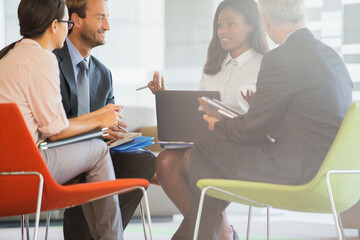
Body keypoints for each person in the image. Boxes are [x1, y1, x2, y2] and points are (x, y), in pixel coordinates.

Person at [170, 0, 353, 239]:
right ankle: (214, 234)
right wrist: (259, 107)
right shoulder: (333, 57)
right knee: (211, 155)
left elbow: (251, 131)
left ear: (265, 21)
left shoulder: (280, 58)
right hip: (336, 174)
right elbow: (310, 118)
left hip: (297, 171)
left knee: (206, 149)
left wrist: (220, 124)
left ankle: (205, 234)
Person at [0, 0, 125, 239]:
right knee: (98, 150)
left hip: (4, 173)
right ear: (53, 25)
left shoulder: (9, 58)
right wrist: (101, 122)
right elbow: (56, 131)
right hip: (29, 173)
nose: (69, 29)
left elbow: (48, 124)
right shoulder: (42, 59)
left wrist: (101, 115)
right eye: (67, 23)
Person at [148, 0, 268, 238]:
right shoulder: (212, 66)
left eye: (231, 24)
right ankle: (224, 232)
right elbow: (199, 110)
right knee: (165, 162)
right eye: (220, 25)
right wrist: (165, 99)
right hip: (208, 143)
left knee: (195, 160)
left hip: (243, 147)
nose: (223, 31)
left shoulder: (265, 64)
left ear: (252, 26)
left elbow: (266, 118)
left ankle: (215, 233)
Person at [52, 0, 156, 239]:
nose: (107, 26)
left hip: (98, 156)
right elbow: (53, 123)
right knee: (93, 161)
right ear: (76, 20)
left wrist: (113, 130)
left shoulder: (103, 74)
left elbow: (107, 124)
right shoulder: (50, 61)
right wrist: (97, 126)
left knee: (145, 161)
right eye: (100, 18)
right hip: (62, 155)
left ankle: (94, 234)